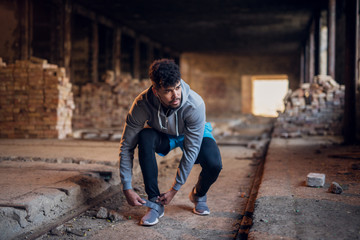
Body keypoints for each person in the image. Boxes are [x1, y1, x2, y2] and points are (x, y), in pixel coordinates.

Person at [119, 58, 222, 226]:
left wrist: (175, 189)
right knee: (144, 137)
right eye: (168, 91)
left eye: (177, 87)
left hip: (193, 133)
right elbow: (126, 146)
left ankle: (199, 194)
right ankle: (154, 203)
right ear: (156, 91)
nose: (176, 95)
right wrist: (127, 187)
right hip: (164, 134)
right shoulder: (141, 104)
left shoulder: (195, 104)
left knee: (214, 163)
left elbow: (191, 149)